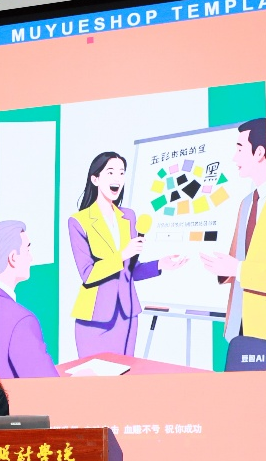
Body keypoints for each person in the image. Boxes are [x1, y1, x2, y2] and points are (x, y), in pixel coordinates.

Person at [68, 151, 186, 358]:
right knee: (94, 375)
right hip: (94, 318)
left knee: (125, 372)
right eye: (110, 172)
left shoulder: (129, 217)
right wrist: (122, 254)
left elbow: (130, 271)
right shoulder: (79, 221)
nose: (117, 178)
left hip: (127, 315)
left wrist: (160, 264)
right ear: (95, 179)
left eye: (121, 173)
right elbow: (88, 274)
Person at [199, 118, 266, 371]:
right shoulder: (247, 203)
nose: (234, 157)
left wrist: (237, 269)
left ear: (259, 152)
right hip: (239, 324)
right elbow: (237, 257)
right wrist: (221, 268)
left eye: (240, 149)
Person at [0, 220, 59, 378]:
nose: (31, 258)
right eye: (27, 250)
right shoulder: (21, 320)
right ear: (13, 258)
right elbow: (48, 386)